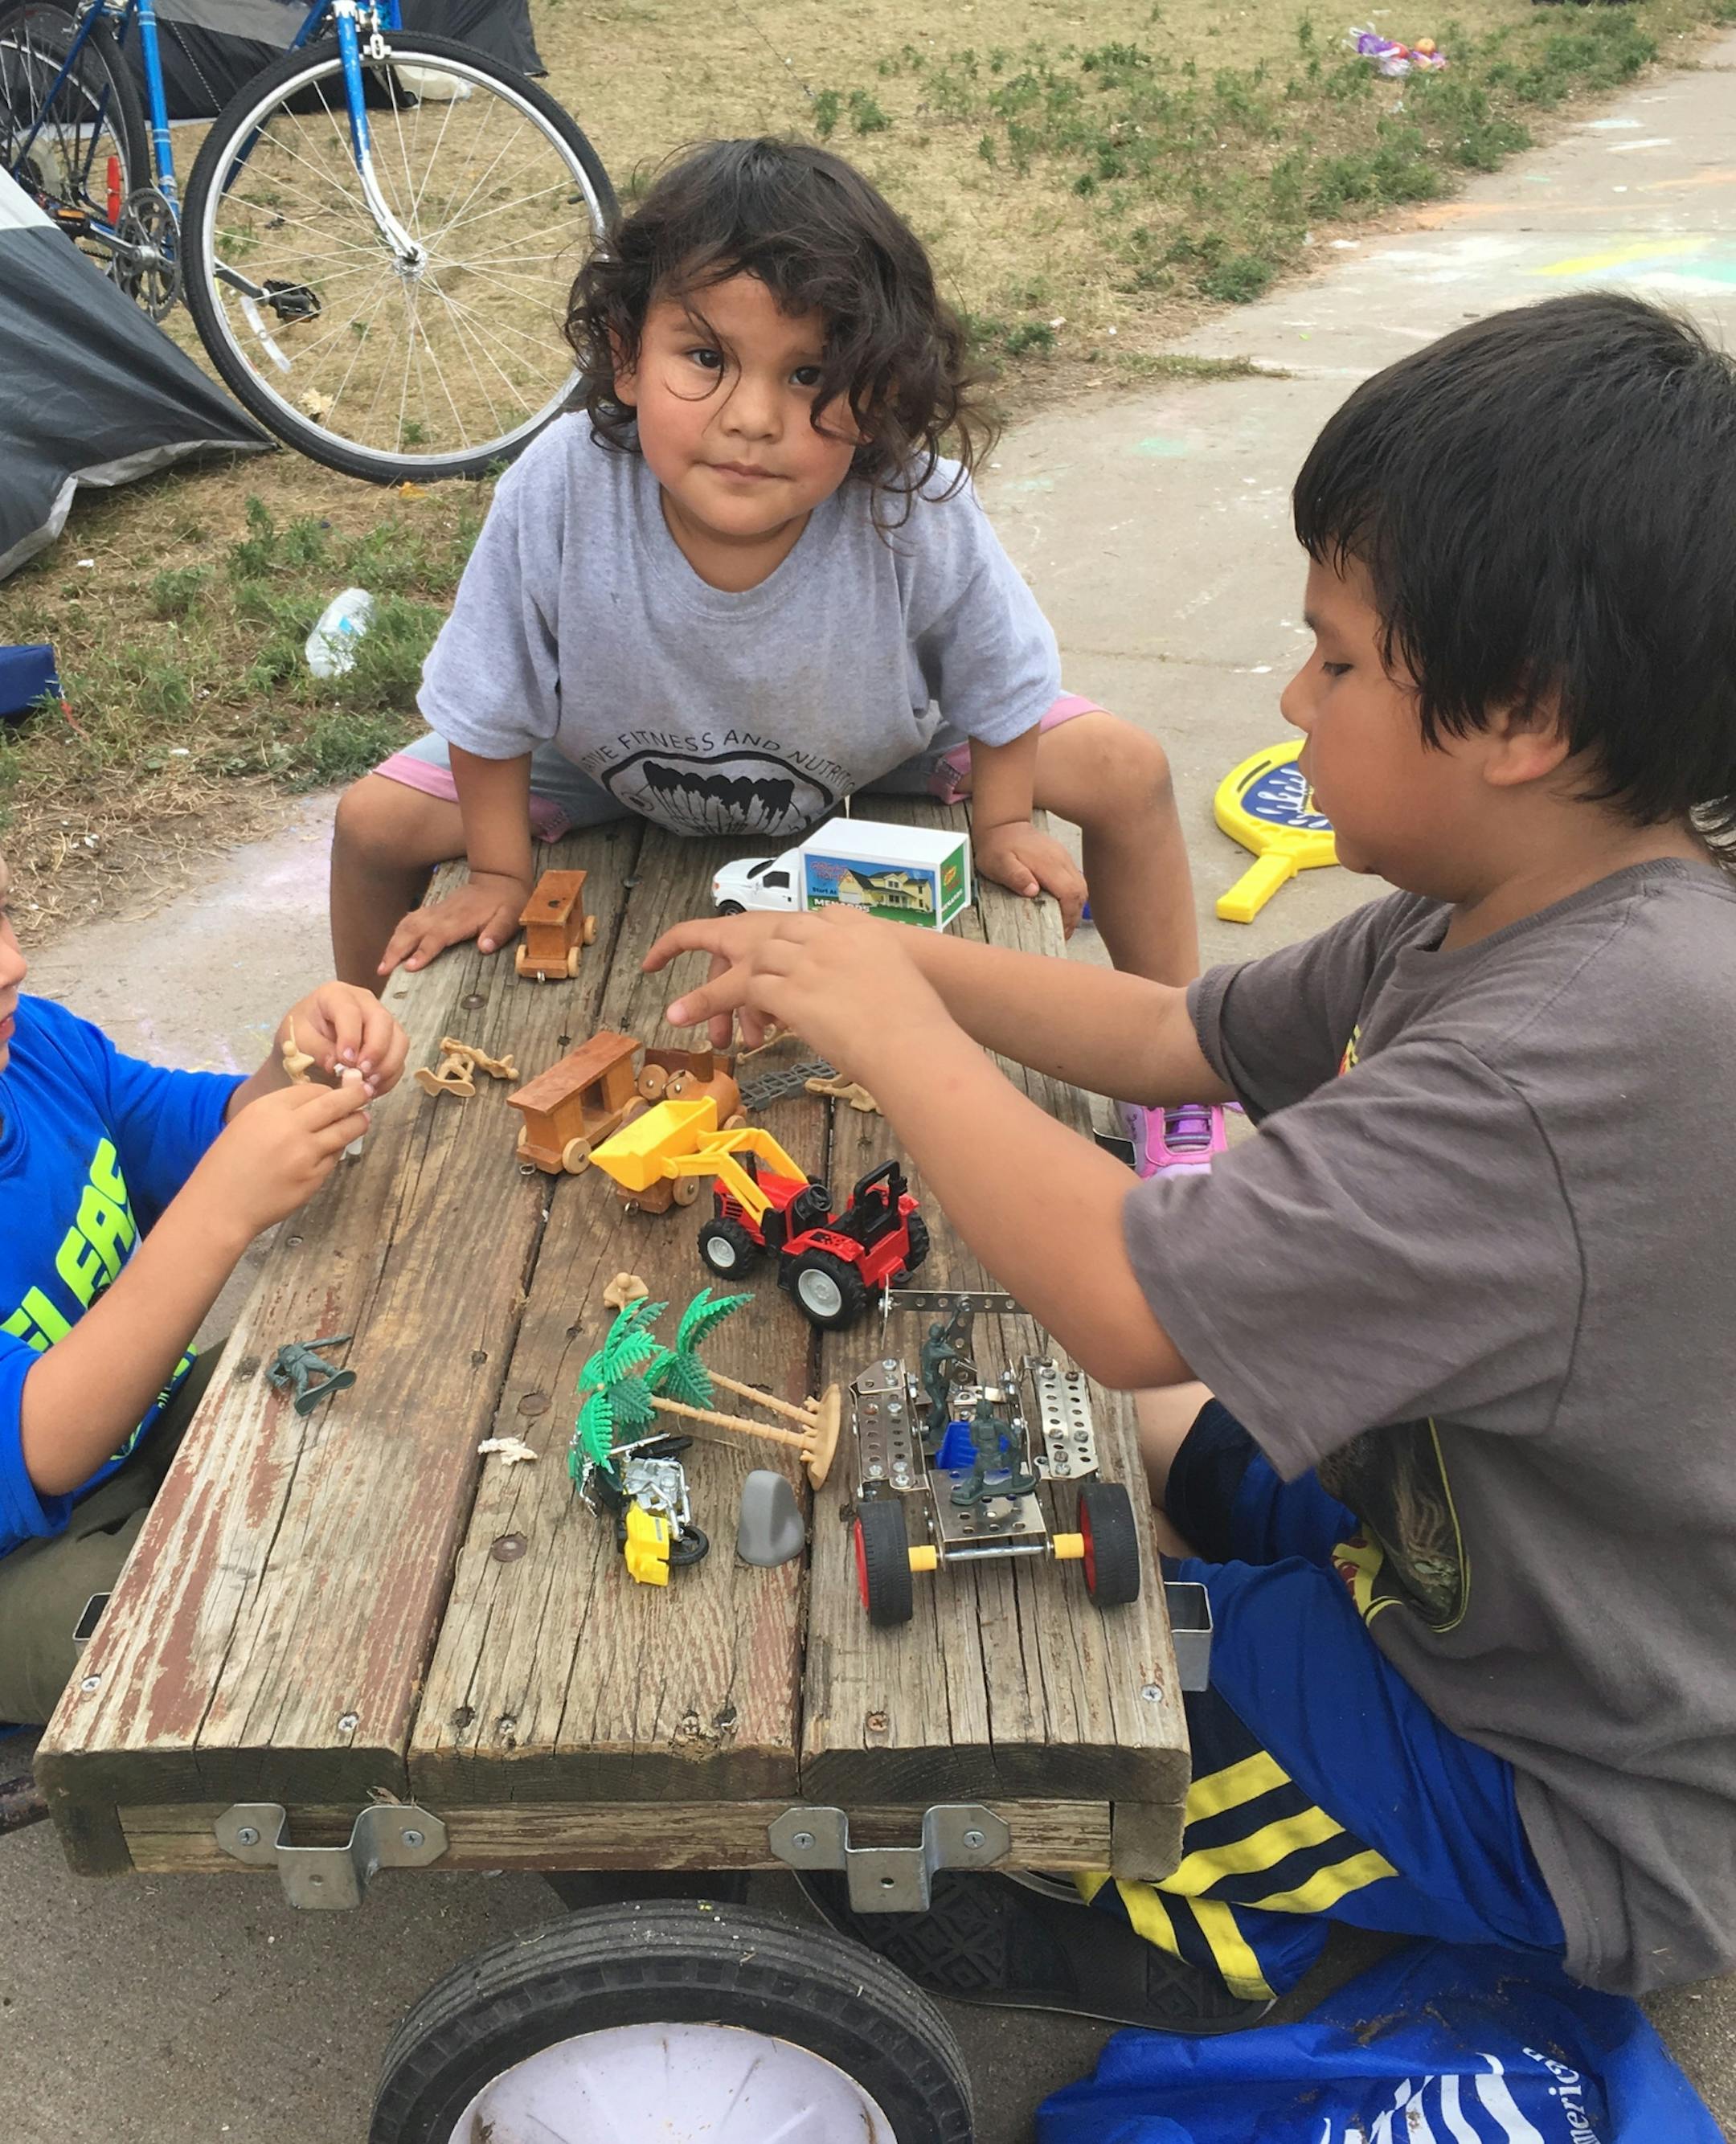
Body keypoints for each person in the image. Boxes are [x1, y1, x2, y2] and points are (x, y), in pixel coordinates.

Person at [641, 291, 1736, 2027]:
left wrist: (904, 1042)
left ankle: (1223, 1937)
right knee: (1106, 1444)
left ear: (1521, 712)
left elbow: (1131, 1296)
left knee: (965, 1717)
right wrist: (878, 959)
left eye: (1339, 660)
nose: (1291, 695)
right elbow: (1177, 1036)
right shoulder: (1500, 908)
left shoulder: (1576, 1053)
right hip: (1465, 1548)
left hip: (1556, 1765)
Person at [327, 136, 1196, 996]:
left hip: (877, 748)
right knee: (371, 825)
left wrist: (1002, 822)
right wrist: (498, 873)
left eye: (809, 373)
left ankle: (1177, 1049)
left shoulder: (914, 501)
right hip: (598, 762)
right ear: (627, 358)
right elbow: (487, 697)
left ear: (880, 393)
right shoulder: (559, 483)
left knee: (1128, 769)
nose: (752, 418)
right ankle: (352, 1061)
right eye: (707, 358)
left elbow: (1001, 678)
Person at [0, 857, 408, 1725]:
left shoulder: (32, 1046)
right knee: (206, 1634)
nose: (12, 962)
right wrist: (221, 1210)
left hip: (153, 1416)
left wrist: (291, 1073)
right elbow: (41, 1443)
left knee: (378, 1350)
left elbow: (185, 1128)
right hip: (18, 1567)